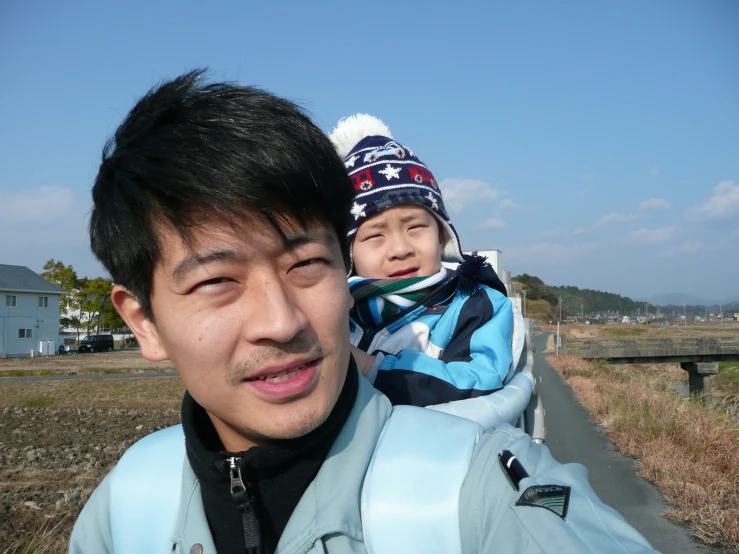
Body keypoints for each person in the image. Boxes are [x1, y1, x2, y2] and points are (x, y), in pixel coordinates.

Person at [69, 70, 658, 554]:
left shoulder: (473, 484)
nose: (282, 321)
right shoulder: (127, 505)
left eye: (305, 265)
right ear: (144, 321)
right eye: (218, 280)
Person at [329, 114, 515, 408]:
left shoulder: (475, 305)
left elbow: (484, 383)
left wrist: (371, 368)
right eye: (375, 236)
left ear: (442, 236)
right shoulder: (337, 312)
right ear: (348, 254)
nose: (400, 249)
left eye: (415, 227)